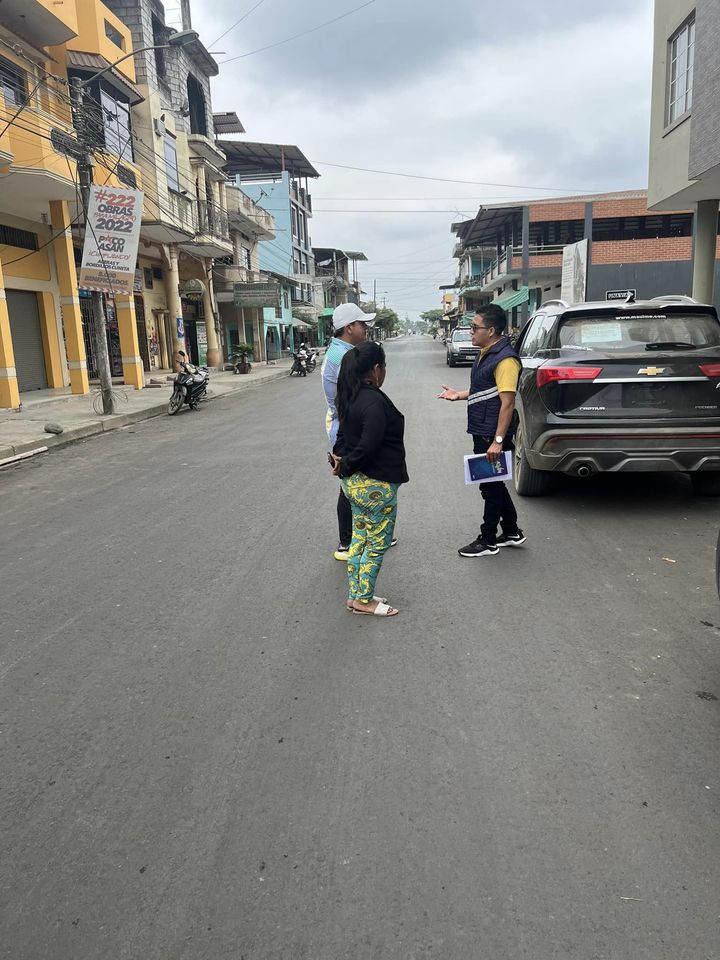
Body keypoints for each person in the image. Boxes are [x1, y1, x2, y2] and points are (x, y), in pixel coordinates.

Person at [438, 303, 526, 557]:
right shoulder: (486, 353)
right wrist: (458, 395)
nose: (471, 331)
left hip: (491, 433)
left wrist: (497, 440)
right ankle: (511, 531)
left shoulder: (505, 360)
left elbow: (507, 403)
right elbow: (486, 390)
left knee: (489, 486)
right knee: (494, 483)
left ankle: (487, 539)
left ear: (491, 330)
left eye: (475, 327)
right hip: (483, 429)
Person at [331, 341, 408, 616]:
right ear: (376, 369)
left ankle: (356, 595)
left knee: (360, 540)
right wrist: (346, 462)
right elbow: (369, 444)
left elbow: (342, 438)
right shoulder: (373, 401)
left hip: (354, 485)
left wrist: (342, 462)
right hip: (375, 485)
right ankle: (364, 601)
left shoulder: (350, 397)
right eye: (383, 367)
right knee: (377, 543)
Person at [322, 302, 376, 561]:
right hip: (347, 427)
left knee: (358, 482)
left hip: (345, 424)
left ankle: (366, 534)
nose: (365, 328)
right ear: (349, 327)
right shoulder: (344, 357)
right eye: (361, 324)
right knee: (349, 486)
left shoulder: (342, 352)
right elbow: (352, 399)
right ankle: (346, 542)